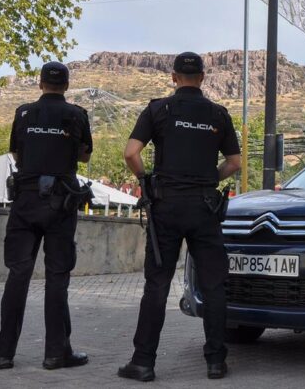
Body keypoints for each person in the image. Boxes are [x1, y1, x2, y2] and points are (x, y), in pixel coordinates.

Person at [118, 51, 241, 382]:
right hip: (204, 208)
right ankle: (216, 361)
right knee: (214, 284)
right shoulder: (218, 114)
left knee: (156, 285)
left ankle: (143, 362)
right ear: (202, 78)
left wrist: (146, 180)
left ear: (174, 77)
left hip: (166, 206)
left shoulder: (158, 109)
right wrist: (208, 180)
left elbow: (131, 153)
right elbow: (234, 162)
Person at [0, 62, 93, 371]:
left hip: (25, 202)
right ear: (66, 85)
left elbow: (17, 154)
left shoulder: (23, 113)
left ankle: (4, 353)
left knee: (17, 276)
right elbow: (85, 155)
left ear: (40, 84)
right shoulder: (77, 115)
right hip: (60, 203)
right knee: (57, 279)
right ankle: (55, 353)